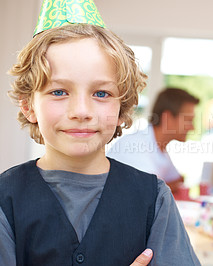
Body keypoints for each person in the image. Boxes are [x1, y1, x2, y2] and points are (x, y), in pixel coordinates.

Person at [0, 2, 200, 265]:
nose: (81, 111)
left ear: (122, 107)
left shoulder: (155, 199)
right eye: (59, 92)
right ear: (29, 106)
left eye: (101, 93)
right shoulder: (6, 199)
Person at [107, 88, 199, 194]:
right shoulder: (136, 146)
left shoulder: (160, 147)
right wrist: (164, 186)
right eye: (188, 120)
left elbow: (179, 181)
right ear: (168, 118)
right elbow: (149, 193)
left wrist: (163, 186)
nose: (192, 128)